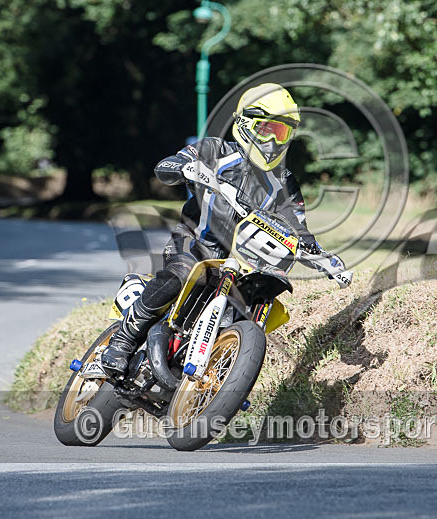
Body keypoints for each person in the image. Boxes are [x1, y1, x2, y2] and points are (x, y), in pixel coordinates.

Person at [101, 83, 347, 375]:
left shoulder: (285, 183)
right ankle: (123, 341)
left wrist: (324, 258)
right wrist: (184, 168)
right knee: (183, 271)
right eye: (267, 128)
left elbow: (300, 228)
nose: (273, 140)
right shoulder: (214, 150)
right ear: (246, 123)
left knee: (263, 297)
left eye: (281, 132)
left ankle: (224, 372)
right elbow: (166, 165)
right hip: (194, 242)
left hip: (243, 263)